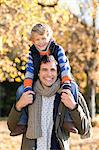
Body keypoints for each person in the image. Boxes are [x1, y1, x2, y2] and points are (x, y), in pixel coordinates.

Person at [7, 55, 91, 150]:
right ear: (38, 73)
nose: (49, 74)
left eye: (52, 70)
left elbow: (84, 129)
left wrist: (73, 107)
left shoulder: (67, 94)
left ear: (58, 72)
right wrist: (18, 106)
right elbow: (12, 127)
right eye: (44, 69)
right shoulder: (27, 94)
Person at [20, 23, 79, 129]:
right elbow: (29, 72)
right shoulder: (32, 53)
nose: (41, 42)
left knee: (73, 88)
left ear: (50, 38)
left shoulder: (57, 49)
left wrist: (66, 84)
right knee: (20, 91)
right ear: (33, 41)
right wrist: (28, 87)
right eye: (37, 39)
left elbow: (65, 67)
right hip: (39, 80)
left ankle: (68, 120)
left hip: (59, 79)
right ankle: (22, 122)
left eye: (43, 38)